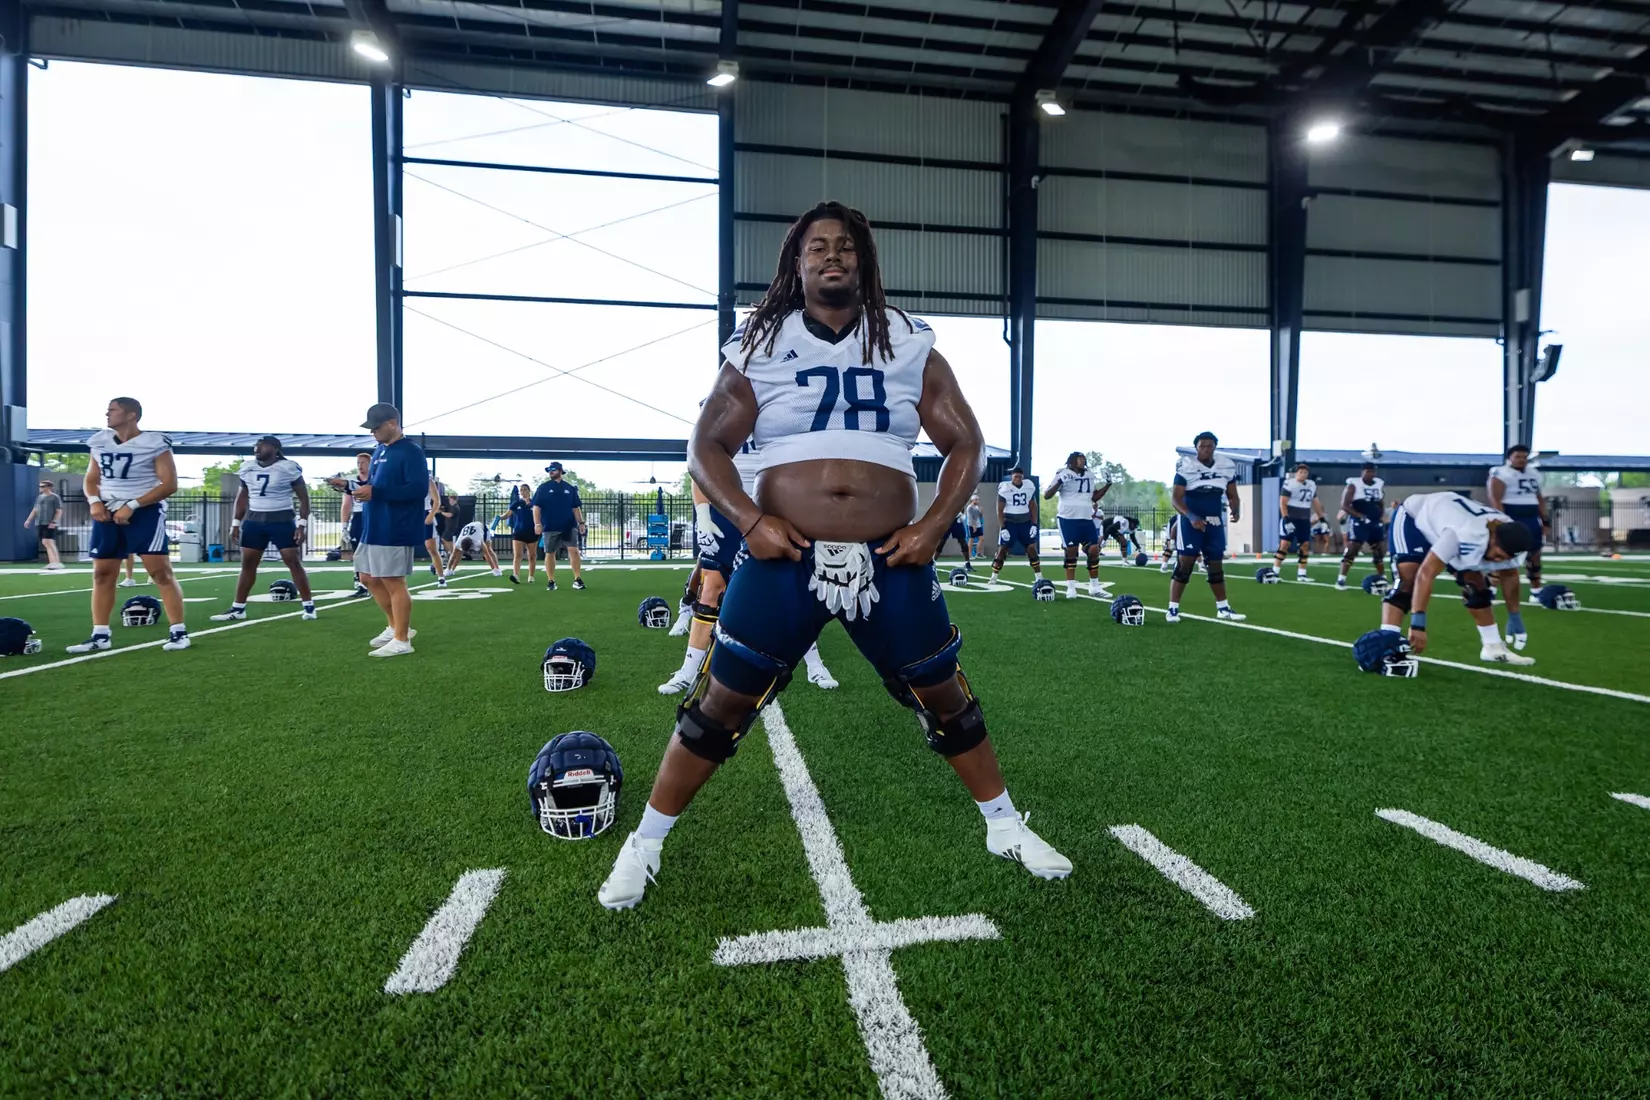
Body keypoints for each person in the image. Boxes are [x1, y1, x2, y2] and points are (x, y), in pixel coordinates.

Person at [598, 200, 1069, 910]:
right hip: (785, 553)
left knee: (942, 691)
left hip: (890, 555)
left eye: (845, 246)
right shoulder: (760, 339)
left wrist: (936, 523)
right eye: (817, 246)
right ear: (796, 260)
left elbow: (966, 444)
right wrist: (750, 519)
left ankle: (1003, 824)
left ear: (864, 260)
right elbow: (705, 447)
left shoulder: (908, 341)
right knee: (720, 701)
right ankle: (647, 843)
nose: (832, 255)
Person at [658, 459, 837, 696]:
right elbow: (701, 465)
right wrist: (702, 514)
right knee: (711, 588)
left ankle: (815, 665)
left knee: (789, 589)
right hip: (726, 507)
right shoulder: (722, 422)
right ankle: (688, 670)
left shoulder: (775, 422)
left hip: (771, 507)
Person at [67, 397, 190, 653]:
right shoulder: (100, 441)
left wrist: (132, 505)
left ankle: (178, 632)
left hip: (144, 511)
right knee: (102, 574)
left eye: (113, 409)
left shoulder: (154, 443)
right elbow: (91, 478)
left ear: (131, 415)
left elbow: (169, 484)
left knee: (160, 572)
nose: (107, 414)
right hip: (107, 511)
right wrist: (93, 502)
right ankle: (100, 634)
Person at [1382, 491, 1536, 665]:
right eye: (1498, 555)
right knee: (1407, 581)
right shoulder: (1463, 534)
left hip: (1446, 520)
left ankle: (1493, 647)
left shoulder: (1512, 541)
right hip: (1414, 517)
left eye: (1505, 558)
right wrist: (1418, 624)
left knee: (1476, 588)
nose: (1498, 561)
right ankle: (1387, 644)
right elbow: (1426, 573)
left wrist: (1514, 616)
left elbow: (1509, 576)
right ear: (1492, 536)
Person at [210, 436, 317, 622]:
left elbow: (304, 498)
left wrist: (302, 524)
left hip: (282, 519)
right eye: (256, 445)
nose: (257, 448)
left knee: (293, 561)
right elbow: (242, 497)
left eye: (262, 445)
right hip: (254, 521)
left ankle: (308, 606)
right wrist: (236, 523)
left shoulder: (288, 467)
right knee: (248, 564)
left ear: (275, 448)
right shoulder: (247, 468)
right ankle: (238, 608)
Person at [353, 403, 429, 658]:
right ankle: (395, 627)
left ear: (392, 424)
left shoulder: (411, 452)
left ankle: (402, 640)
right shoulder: (379, 451)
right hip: (373, 525)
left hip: (395, 526)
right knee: (367, 578)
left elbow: (418, 490)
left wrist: (376, 492)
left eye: (376, 427)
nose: (373, 432)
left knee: (393, 581)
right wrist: (352, 487)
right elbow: (376, 486)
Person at [1167, 431, 1246, 624]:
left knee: (1216, 563)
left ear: (1215, 447)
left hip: (1214, 519)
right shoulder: (1187, 466)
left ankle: (1223, 608)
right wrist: (1192, 517)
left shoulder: (1226, 465)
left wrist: (1236, 507)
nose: (1206, 449)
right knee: (1185, 564)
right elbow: (1176, 499)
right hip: (1190, 517)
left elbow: (1232, 493)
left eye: (1209, 446)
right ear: (1196, 448)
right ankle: (1173, 609)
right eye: (1202, 446)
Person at [1488, 444, 1550, 596]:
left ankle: (1536, 590)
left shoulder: (1533, 472)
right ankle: (1491, 589)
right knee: (1502, 553)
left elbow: (1539, 498)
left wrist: (1545, 520)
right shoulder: (1500, 472)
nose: (1521, 460)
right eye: (1517, 456)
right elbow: (1495, 498)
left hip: (1531, 516)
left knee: (1534, 554)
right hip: (1511, 513)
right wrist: (1503, 521)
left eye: (1524, 457)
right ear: (1509, 458)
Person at [1044, 451, 1107, 598]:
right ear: (1072, 460)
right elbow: (1047, 495)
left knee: (1093, 550)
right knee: (1071, 551)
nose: (1082, 460)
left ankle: (1094, 586)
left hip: (1086, 518)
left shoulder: (1089, 475)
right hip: (1068, 518)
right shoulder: (1062, 473)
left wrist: (1108, 485)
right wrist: (1059, 481)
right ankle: (1071, 588)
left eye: (1083, 458)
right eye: (1079, 458)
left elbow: (1094, 496)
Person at [532, 461, 587, 591]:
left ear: (560, 471)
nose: (551, 471)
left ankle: (577, 579)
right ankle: (551, 580)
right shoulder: (543, 488)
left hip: (569, 526)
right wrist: (537, 524)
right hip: (550, 526)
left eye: (553, 469)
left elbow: (575, 508)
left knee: (574, 551)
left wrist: (581, 523)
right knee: (550, 553)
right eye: (549, 470)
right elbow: (536, 507)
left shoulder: (570, 488)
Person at [1334, 462, 1388, 591]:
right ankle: (1341, 579)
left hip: (1374, 522)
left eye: (1373, 471)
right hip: (1359, 522)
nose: (1371, 474)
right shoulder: (1353, 485)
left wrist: (1381, 514)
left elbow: (1380, 501)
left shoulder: (1378, 484)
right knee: (1353, 549)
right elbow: (1345, 505)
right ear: (1362, 472)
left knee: (1379, 551)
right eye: (1368, 471)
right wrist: (1361, 516)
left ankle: (1383, 577)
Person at [988, 467, 1043, 586]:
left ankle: (1039, 577)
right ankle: (993, 577)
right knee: (1002, 550)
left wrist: (1034, 524)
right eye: (1015, 477)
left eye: (1020, 477)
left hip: (1025, 522)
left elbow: (1033, 506)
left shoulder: (1029, 486)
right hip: (1010, 521)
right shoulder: (1005, 488)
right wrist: (1003, 527)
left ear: (1023, 477)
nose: (1018, 479)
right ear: (1011, 477)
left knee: (1032, 549)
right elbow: (999, 510)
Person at [330, 452, 373, 596]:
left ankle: (375, 580)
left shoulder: (375, 478)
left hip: (375, 515)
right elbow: (346, 504)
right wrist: (344, 526)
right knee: (358, 552)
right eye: (358, 463)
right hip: (359, 516)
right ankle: (361, 582)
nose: (360, 466)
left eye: (364, 463)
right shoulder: (351, 480)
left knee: (375, 550)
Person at [1273, 463, 1324, 582]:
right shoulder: (1290, 483)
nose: (1303, 474)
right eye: (1301, 472)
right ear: (1296, 473)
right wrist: (1286, 519)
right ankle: (1275, 572)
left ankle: (1302, 574)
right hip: (1291, 517)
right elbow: (1283, 502)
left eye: (1305, 472)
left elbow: (1316, 502)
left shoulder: (1311, 485)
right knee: (1285, 544)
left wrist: (1322, 518)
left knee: (1305, 545)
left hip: (1304, 519)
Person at [24, 479, 64, 570]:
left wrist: (54, 522)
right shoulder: (39, 497)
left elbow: (59, 511)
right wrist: (28, 520)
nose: (40, 488)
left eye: (42, 486)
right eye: (40, 486)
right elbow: (35, 510)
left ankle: (55, 562)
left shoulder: (55, 497)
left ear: (48, 487)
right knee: (46, 542)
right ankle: (53, 562)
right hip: (40, 522)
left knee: (48, 541)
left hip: (49, 522)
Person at [506, 481, 537, 584]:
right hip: (519, 532)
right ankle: (516, 575)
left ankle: (531, 576)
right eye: (521, 490)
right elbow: (508, 513)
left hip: (531, 532)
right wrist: (500, 517)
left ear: (529, 491)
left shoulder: (534, 503)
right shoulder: (517, 503)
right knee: (518, 555)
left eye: (525, 490)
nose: (523, 492)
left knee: (531, 555)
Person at [422, 476, 449, 588]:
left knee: (431, 547)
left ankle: (441, 577)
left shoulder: (428, 480)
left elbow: (437, 501)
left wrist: (431, 514)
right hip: (408, 514)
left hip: (424, 513)